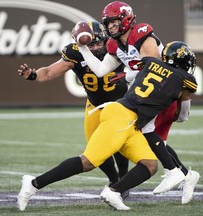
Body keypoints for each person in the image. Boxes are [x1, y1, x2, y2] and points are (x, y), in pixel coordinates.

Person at [17, 40, 198, 211]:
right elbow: (182, 115)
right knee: (88, 162)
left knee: (150, 165)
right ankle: (33, 184)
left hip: (128, 117)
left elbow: (130, 73)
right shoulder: (184, 79)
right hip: (121, 117)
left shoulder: (150, 63)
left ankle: (114, 191)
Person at [78, 1, 200, 202]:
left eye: (114, 23)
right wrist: (83, 49)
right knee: (150, 139)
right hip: (147, 92)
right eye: (108, 24)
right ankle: (184, 174)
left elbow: (155, 68)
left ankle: (177, 173)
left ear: (126, 19)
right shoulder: (115, 44)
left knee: (150, 137)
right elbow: (100, 71)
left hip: (161, 92)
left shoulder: (141, 34)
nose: (110, 27)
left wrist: (127, 75)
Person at [17, 21, 130, 197]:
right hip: (94, 106)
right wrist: (33, 75)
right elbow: (48, 72)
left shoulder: (116, 48)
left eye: (100, 42)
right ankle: (114, 180)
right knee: (95, 148)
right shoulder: (75, 53)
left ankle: (123, 179)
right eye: (91, 43)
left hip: (120, 105)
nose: (97, 47)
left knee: (121, 145)